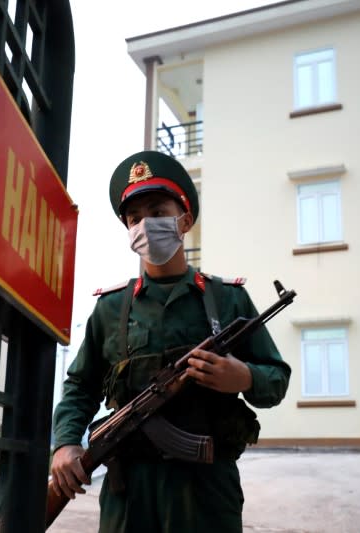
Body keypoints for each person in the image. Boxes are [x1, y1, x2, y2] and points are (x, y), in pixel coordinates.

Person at [51, 150, 291, 532]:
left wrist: (243, 377)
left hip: (207, 494)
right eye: (135, 218)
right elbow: (81, 385)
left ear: (185, 219)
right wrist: (65, 444)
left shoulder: (227, 299)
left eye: (159, 211)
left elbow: (276, 378)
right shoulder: (112, 309)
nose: (147, 224)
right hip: (129, 495)